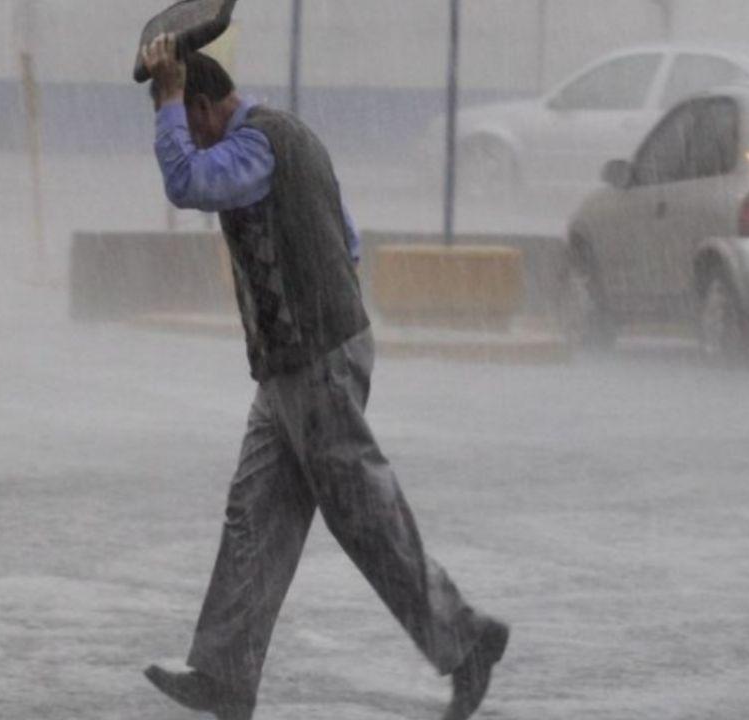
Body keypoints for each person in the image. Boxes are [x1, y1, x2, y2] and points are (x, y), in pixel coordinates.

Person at [138, 33, 509, 720]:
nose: (187, 140)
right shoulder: (290, 139)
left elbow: (188, 183)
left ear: (206, 106)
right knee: (255, 517)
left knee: (364, 515)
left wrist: (163, 97)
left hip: (313, 361)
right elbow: (349, 239)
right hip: (295, 364)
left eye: (186, 122)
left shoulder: (257, 145)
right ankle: (223, 672)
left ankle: (466, 640)